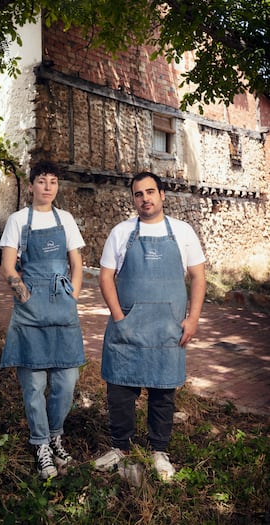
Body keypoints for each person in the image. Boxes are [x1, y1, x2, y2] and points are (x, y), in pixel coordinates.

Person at [94, 171, 206, 481]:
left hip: (167, 329)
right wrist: (119, 317)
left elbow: (198, 276)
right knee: (119, 390)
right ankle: (120, 448)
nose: (145, 198)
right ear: (133, 199)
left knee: (163, 392)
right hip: (127, 327)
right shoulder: (121, 232)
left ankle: (160, 451)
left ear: (162, 195)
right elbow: (106, 277)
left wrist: (193, 319)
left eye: (150, 192)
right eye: (138, 194)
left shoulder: (183, 232)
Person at [0, 160, 85, 480]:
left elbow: (76, 261)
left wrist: (72, 295)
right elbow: (8, 267)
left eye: (53, 182)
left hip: (62, 306)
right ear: (32, 184)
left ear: (57, 186)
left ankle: (55, 436)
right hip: (30, 309)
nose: (48, 187)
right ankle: (40, 444)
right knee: (34, 383)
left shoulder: (67, 219)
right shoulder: (18, 220)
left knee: (66, 381)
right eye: (41, 181)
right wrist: (25, 297)